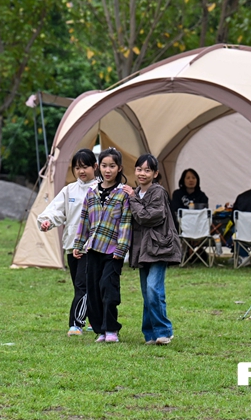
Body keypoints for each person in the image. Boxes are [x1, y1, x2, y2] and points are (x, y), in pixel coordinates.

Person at [73, 147, 132, 344]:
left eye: (112, 166)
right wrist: (79, 244)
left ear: (119, 168)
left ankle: (111, 329)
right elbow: (84, 220)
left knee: (109, 289)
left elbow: (125, 223)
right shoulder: (91, 193)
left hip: (113, 251)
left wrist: (121, 249)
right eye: (105, 166)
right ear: (100, 167)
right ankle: (99, 330)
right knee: (94, 291)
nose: (108, 170)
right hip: (93, 249)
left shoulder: (123, 194)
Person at [38, 148, 98, 337]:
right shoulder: (69, 190)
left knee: (83, 285)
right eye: (77, 167)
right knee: (81, 285)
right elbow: (56, 210)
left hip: (92, 247)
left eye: (85, 166)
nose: (81, 171)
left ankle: (76, 324)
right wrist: (47, 221)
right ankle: (93, 319)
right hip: (72, 245)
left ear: (95, 167)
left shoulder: (101, 189)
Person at [123, 154, 182, 346]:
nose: (142, 173)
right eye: (139, 169)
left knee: (153, 289)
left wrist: (133, 199)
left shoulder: (158, 192)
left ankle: (164, 330)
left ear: (155, 173)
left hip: (159, 247)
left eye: (147, 170)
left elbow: (149, 216)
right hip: (142, 249)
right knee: (147, 292)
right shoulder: (136, 192)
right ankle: (150, 334)